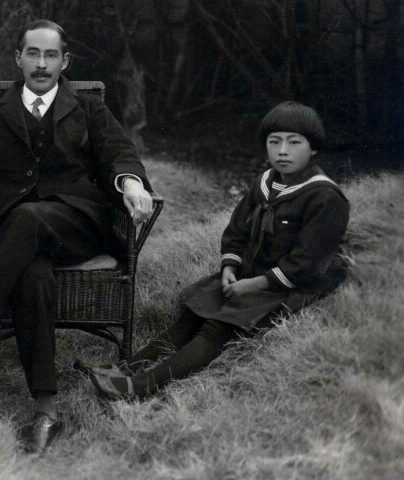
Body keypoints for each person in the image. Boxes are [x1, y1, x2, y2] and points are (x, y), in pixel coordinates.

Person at [0, 19, 155, 456]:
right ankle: (46, 411)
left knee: (29, 219)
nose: (42, 64)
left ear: (64, 61)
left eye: (51, 55)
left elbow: (119, 152)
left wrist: (131, 183)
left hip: (76, 223)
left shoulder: (87, 109)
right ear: (18, 59)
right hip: (14, 232)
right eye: (33, 53)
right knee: (31, 269)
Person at [85, 101, 350, 402]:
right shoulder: (264, 183)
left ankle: (141, 386)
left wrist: (252, 285)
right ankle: (123, 368)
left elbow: (307, 264)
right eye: (274, 142)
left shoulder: (324, 197)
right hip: (249, 273)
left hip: (286, 284)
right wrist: (230, 269)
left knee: (214, 329)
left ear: (313, 148)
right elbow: (236, 232)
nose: (283, 151)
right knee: (192, 315)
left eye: (294, 142)